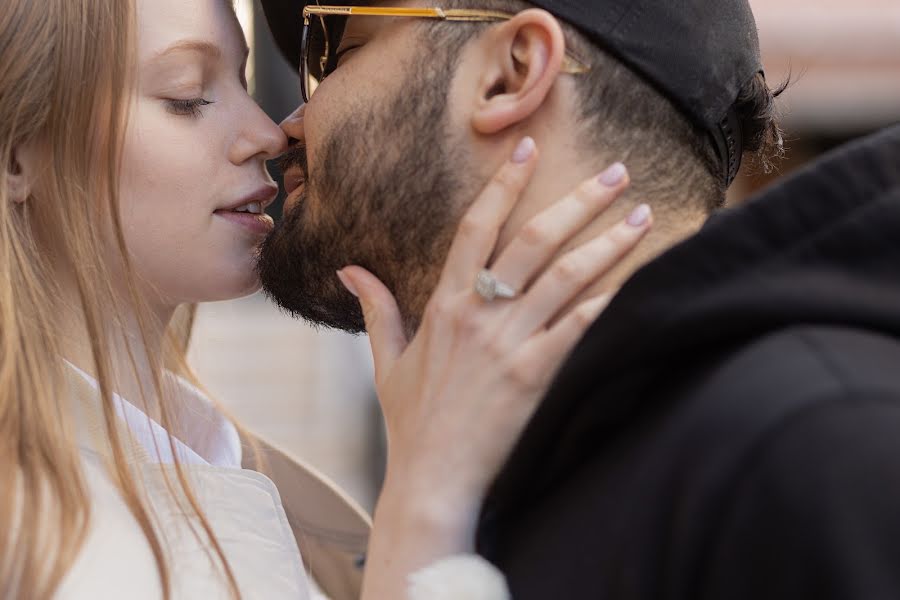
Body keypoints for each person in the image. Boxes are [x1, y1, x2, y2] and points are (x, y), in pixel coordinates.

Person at [0, 0, 653, 598]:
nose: (267, 131)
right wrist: (426, 501)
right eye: (188, 96)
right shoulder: (28, 531)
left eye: (243, 82)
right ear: (16, 156)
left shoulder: (307, 509)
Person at [259, 0, 900, 598]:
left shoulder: (813, 455)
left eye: (334, 54)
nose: (287, 125)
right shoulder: (532, 460)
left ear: (512, 74)